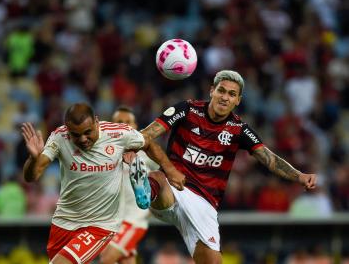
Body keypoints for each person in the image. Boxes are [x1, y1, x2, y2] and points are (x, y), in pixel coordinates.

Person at [137, 70, 317, 264]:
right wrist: (170, 170)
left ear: (238, 100)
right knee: (158, 178)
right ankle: (146, 190)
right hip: (173, 186)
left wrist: (299, 176)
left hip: (205, 203)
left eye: (232, 94)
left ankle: (147, 185)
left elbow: (269, 159)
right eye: (221, 91)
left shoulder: (239, 129)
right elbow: (147, 134)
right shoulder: (187, 110)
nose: (225, 97)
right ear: (211, 91)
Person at [21, 103, 185, 264]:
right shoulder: (59, 137)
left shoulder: (119, 134)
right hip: (64, 222)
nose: (83, 139)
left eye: (88, 132)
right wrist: (33, 158)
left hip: (100, 225)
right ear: (67, 129)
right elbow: (32, 175)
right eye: (76, 135)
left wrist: (170, 171)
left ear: (97, 122)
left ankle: (149, 191)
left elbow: (148, 142)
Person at [99, 106, 159, 264]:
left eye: (128, 122)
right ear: (112, 125)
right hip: (112, 220)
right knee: (127, 261)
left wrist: (155, 205)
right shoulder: (104, 154)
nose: (124, 125)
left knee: (106, 259)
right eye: (119, 122)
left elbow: (164, 178)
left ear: (136, 126)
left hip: (133, 221)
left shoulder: (147, 154)